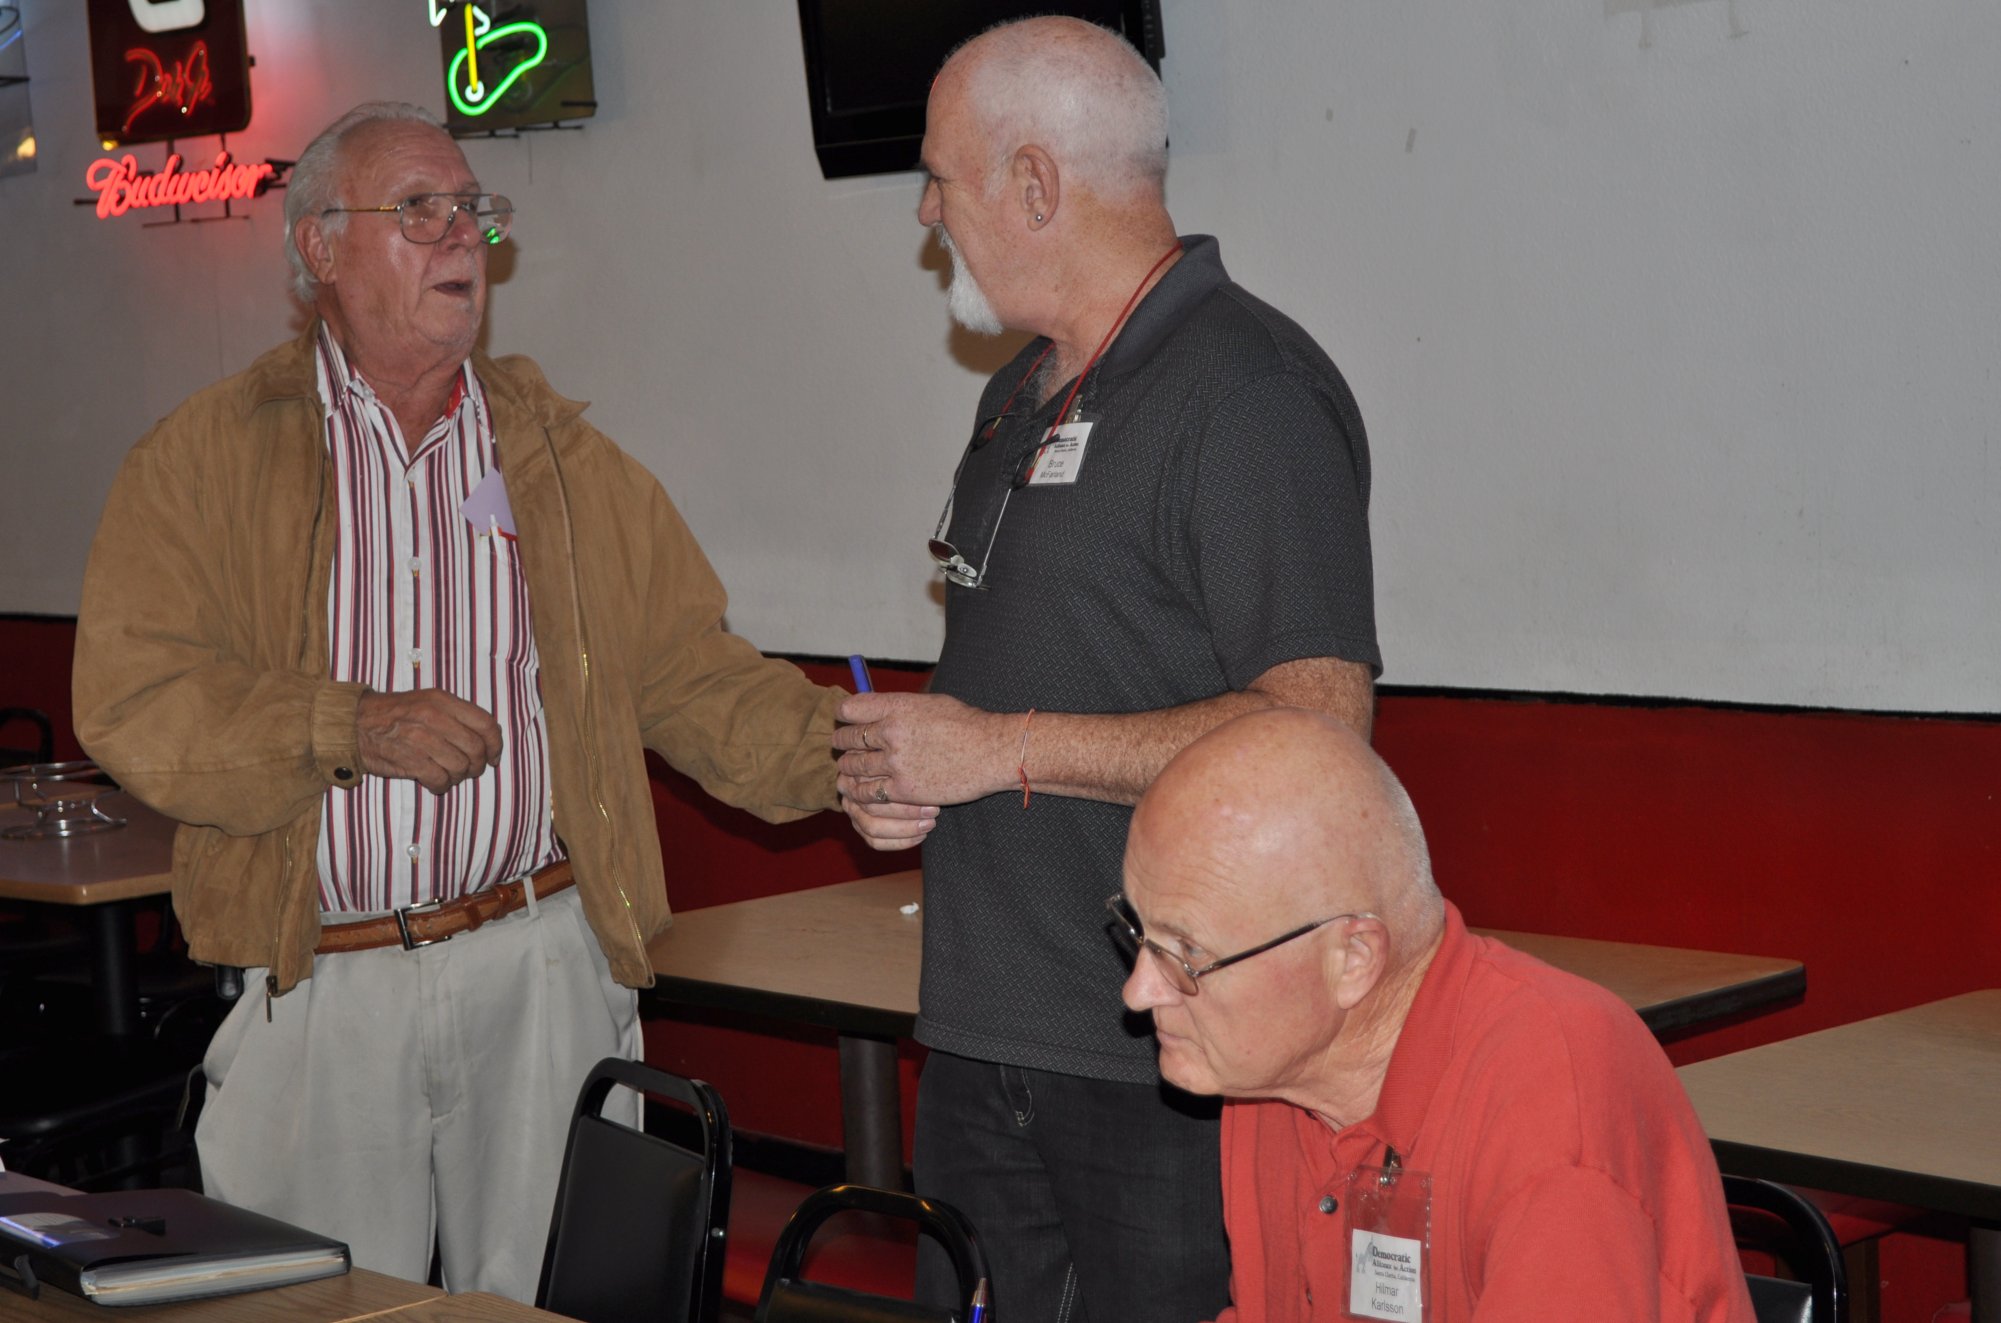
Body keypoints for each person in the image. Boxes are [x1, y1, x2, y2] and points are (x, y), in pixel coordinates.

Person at [71, 101, 841, 1301]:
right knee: (312, 1305)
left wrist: (855, 755)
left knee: (551, 1301)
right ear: (321, 247)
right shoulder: (204, 460)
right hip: (322, 982)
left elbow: (692, 674)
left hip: (540, 969)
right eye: (418, 209)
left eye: (473, 209)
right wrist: (348, 725)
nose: (461, 235)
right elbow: (136, 698)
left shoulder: (565, 464)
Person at [833, 16, 1380, 1320]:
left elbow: (1318, 727)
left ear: (1035, 183)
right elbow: (1036, 680)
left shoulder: (1245, 392)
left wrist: (999, 748)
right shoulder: (1017, 396)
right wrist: (912, 779)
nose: (925, 213)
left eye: (940, 177)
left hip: (1165, 1055)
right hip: (984, 1029)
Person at [1117, 709, 1758, 1322]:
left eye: (1187, 953)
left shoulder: (1552, 1107)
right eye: (1139, 932)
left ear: (1352, 960)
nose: (1138, 991)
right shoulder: (1268, 1071)